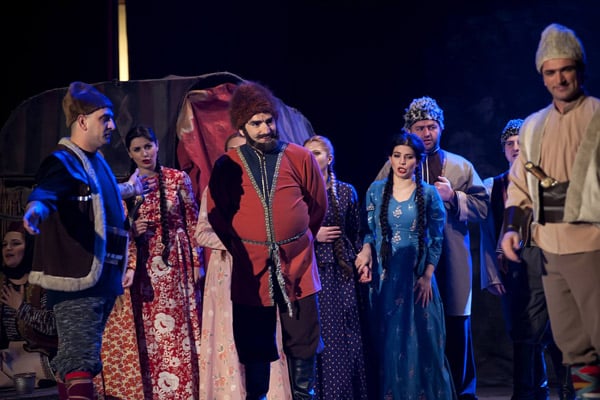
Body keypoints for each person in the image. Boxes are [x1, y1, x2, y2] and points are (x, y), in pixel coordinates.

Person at [206, 81, 328, 400]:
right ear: (242, 128)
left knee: (303, 340)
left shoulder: (300, 157)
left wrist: (296, 241)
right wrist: (243, 247)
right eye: (255, 123)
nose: (265, 129)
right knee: (255, 345)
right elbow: (218, 213)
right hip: (252, 270)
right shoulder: (228, 164)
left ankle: (303, 395)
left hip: (297, 265)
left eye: (268, 120)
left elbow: (317, 205)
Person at [22, 81, 144, 400]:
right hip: (78, 278)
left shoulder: (93, 161)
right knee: (79, 360)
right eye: (105, 118)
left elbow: (98, 196)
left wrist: (130, 189)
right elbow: (48, 189)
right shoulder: (63, 161)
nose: (112, 125)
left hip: (101, 278)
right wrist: (36, 209)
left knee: (73, 357)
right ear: (82, 121)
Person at [500, 23, 600, 399]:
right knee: (573, 345)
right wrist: (512, 228)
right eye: (551, 72)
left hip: (592, 245)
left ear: (580, 70)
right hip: (550, 250)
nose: (559, 79)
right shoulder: (533, 127)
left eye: (566, 69)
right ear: (542, 77)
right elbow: (519, 185)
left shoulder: (596, 116)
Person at [376, 96, 488, 400]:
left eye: (432, 126)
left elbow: (483, 207)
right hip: (408, 262)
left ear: (441, 128)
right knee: (414, 325)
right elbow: (377, 203)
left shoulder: (460, 166)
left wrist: (454, 197)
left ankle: (462, 393)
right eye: (420, 127)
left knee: (456, 324)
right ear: (409, 129)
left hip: (451, 258)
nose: (427, 133)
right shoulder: (396, 165)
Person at [106, 125, 204, 400]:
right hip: (144, 267)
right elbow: (118, 230)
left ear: (157, 145)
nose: (144, 153)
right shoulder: (126, 188)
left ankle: (184, 391)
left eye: (148, 146)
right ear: (130, 153)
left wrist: (197, 262)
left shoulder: (177, 178)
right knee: (150, 333)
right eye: (137, 149)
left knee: (178, 329)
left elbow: (193, 221)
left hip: (175, 260)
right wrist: (132, 229)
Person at [480, 119, 574, 400]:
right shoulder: (494, 186)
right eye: (510, 144)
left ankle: (565, 392)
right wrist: (493, 273)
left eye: (521, 143)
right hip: (517, 267)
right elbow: (488, 232)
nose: (516, 148)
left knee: (558, 332)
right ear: (503, 150)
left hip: (550, 262)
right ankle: (529, 392)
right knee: (524, 332)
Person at [357, 131, 454, 399]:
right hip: (385, 280)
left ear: (417, 161)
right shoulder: (376, 191)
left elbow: (436, 239)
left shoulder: (429, 194)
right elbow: (369, 232)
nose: (402, 162)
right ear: (389, 158)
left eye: (409, 157)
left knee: (423, 346)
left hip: (417, 279)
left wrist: (427, 276)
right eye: (397, 156)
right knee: (390, 344)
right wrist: (365, 251)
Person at [195, 131, 291, 400]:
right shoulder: (214, 190)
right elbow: (201, 233)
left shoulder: (264, 189)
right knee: (231, 333)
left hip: (259, 271)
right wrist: (238, 243)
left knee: (261, 336)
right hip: (227, 272)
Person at [303, 135, 369, 400]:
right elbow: (287, 231)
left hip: (341, 271)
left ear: (329, 159)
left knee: (344, 335)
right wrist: (312, 235)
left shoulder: (345, 191)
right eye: (307, 153)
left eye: (317, 153)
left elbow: (357, 231)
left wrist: (364, 255)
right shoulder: (297, 191)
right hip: (311, 269)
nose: (311, 158)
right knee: (319, 336)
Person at [1, 221, 58, 389]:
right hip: (10, 356)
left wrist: (21, 308)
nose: (8, 248)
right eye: (4, 245)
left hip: (42, 356)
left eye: (15, 243)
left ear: (30, 248)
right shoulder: (2, 283)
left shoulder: (43, 282)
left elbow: (54, 325)